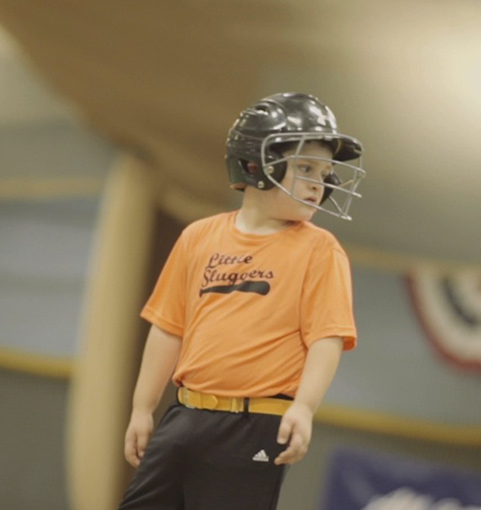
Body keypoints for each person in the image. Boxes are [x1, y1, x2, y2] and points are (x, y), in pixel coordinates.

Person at [118, 92, 366, 510]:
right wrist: (142, 408)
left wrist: (304, 409)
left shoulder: (321, 251)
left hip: (256, 424)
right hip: (185, 414)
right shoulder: (198, 236)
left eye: (324, 172)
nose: (318, 182)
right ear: (255, 165)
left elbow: (327, 339)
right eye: (306, 167)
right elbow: (168, 328)